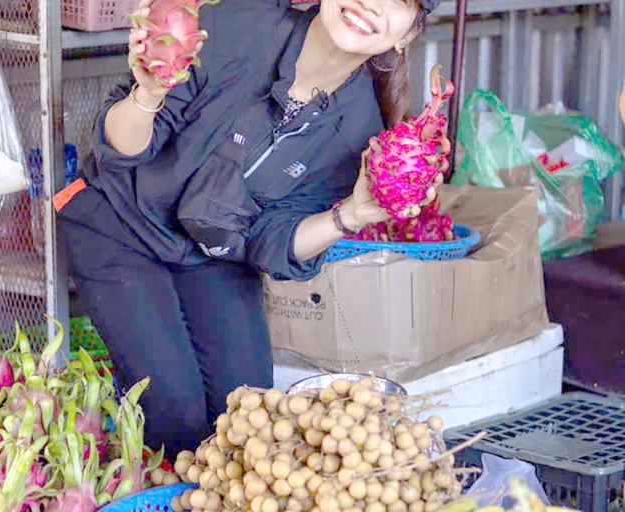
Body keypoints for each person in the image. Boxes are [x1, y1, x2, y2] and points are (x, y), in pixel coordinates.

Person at [55, 0, 444, 458]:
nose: (370, 4)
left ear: (407, 34)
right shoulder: (230, 26)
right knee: (176, 419)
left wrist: (351, 216)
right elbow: (122, 150)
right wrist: (149, 93)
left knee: (244, 414)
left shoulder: (359, 127)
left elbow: (270, 241)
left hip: (213, 255)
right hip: (120, 222)